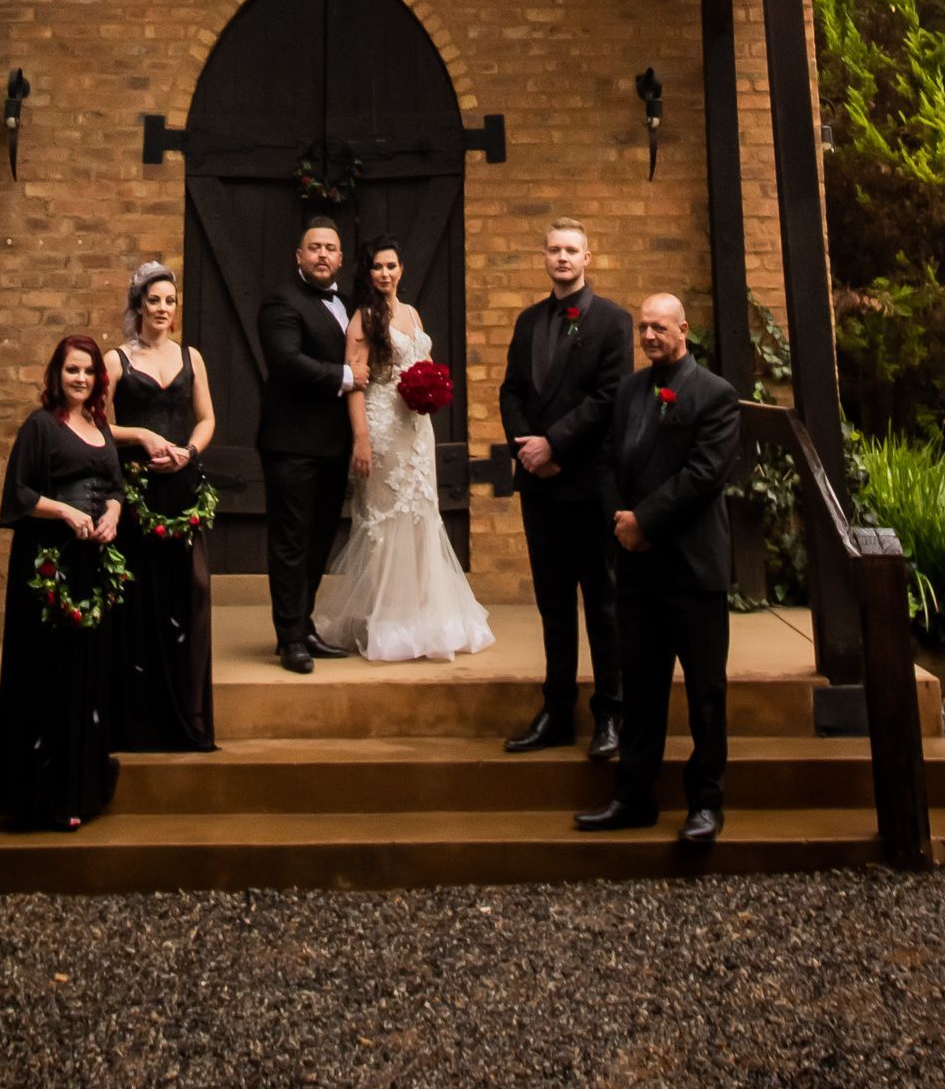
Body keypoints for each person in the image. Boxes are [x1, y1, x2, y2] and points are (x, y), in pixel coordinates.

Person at [577, 290, 740, 844]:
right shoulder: (627, 393)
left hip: (692, 570)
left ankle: (706, 805)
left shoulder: (715, 395)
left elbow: (703, 475)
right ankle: (633, 798)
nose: (648, 336)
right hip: (638, 572)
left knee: (705, 695)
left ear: (684, 330)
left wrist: (643, 522)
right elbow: (604, 464)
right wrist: (619, 522)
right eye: (643, 327)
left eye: (659, 328)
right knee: (641, 692)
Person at [313, 239, 494, 663]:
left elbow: (420, 366)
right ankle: (388, 618)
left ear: (402, 268)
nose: (385, 274)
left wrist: (430, 390)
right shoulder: (364, 318)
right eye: (377, 267)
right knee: (386, 518)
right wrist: (361, 438)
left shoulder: (412, 313)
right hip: (380, 425)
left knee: (420, 514)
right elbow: (356, 382)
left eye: (391, 266)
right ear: (368, 273)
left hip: (417, 429)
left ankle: (423, 613)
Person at [498, 219, 634, 759]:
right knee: (552, 604)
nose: (561, 258)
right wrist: (525, 448)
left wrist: (552, 445)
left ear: (588, 257)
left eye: (571, 250)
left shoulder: (614, 322)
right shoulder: (529, 321)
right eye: (553, 249)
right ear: (544, 257)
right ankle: (556, 712)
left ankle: (611, 715)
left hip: (586, 482)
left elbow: (608, 399)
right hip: (539, 486)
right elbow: (510, 391)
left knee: (601, 603)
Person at [0, 333, 126, 832]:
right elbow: (20, 492)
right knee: (49, 672)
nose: (81, 379)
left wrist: (112, 514)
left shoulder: (99, 425)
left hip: (92, 567)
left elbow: (114, 486)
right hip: (48, 565)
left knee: (86, 673)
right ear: (57, 374)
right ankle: (43, 794)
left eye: (89, 372)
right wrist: (67, 511)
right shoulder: (40, 427)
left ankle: (81, 789)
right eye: (73, 370)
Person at [105, 259, 217, 752]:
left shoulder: (191, 356)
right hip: (135, 490)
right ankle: (137, 715)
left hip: (182, 487)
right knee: (138, 596)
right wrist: (142, 435)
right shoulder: (115, 360)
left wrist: (189, 451)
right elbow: (98, 426)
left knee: (186, 592)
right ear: (138, 305)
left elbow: (207, 417)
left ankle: (184, 713)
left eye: (170, 301)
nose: (163, 309)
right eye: (154, 300)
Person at [256, 214, 354, 674]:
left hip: (335, 445)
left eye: (330, 248)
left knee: (319, 542)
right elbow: (287, 361)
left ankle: (305, 624)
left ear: (340, 256)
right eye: (314, 247)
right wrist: (346, 376)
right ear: (299, 256)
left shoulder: (348, 304)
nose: (322, 255)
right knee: (291, 542)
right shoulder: (281, 301)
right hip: (292, 443)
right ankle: (289, 636)